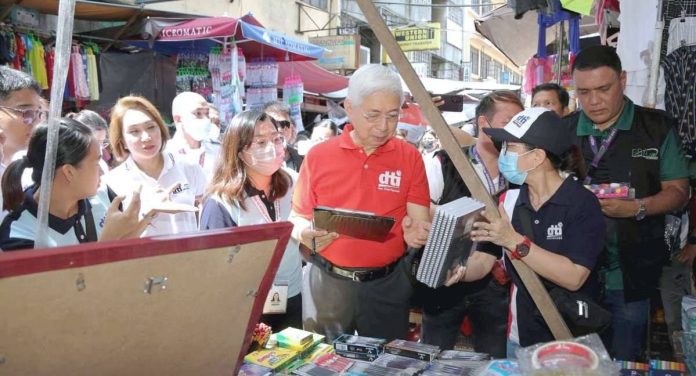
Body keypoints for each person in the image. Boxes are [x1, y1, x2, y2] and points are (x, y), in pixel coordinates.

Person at [564, 45, 690, 360]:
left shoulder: (656, 127)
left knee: (626, 356)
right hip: (574, 272)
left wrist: (637, 208)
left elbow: (678, 191)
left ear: (622, 79)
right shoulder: (564, 130)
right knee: (579, 359)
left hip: (632, 272)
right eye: (584, 92)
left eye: (603, 89)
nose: (594, 101)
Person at [289, 64, 431, 341]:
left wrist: (416, 233)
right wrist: (304, 234)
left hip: (387, 284)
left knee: (387, 366)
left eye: (392, 116)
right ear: (349, 108)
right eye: (373, 115)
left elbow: (419, 219)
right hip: (327, 282)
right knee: (323, 364)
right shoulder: (319, 156)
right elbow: (297, 218)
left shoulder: (409, 157)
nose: (383, 126)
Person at [472, 107, 606, 356]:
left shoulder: (582, 204)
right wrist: (456, 271)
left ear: (536, 157)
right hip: (520, 337)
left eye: (510, 147)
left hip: (567, 338)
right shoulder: (508, 201)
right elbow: (482, 261)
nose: (503, 154)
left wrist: (513, 240)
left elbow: (574, 276)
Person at [418, 91, 524, 357]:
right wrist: (464, 219)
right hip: (445, 276)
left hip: (495, 285)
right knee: (434, 354)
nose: (514, 130)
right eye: (508, 121)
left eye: (519, 122)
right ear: (483, 124)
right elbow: (422, 209)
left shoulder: (522, 172)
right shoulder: (445, 161)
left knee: (492, 357)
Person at [200, 110, 303, 331]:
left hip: (292, 296)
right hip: (245, 308)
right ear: (239, 151)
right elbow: (215, 266)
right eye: (260, 142)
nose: (272, 148)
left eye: (276, 139)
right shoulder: (221, 202)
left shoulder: (295, 183)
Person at [0, 119, 152, 250]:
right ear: (69, 172)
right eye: (96, 162)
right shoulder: (19, 234)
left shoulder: (104, 195)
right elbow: (65, 284)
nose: (101, 170)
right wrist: (108, 241)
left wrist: (147, 216)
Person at [103, 96, 206, 237]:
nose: (146, 137)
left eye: (151, 127)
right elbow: (114, 238)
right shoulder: (112, 183)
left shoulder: (189, 167)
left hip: (189, 256)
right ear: (122, 141)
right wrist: (149, 212)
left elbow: (202, 209)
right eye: (134, 131)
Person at [166, 92, 221, 181]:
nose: (206, 120)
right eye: (198, 113)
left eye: (207, 113)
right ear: (178, 119)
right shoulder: (166, 154)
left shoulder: (218, 151)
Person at [263, 101, 303, 173]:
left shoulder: (302, 159)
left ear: (291, 128)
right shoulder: (256, 159)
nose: (279, 129)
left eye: (284, 124)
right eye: (274, 124)